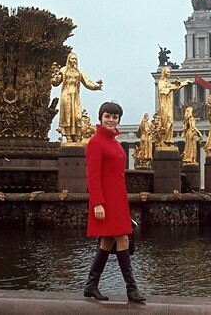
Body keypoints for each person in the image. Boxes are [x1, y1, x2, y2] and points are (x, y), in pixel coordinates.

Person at [84, 101, 145, 303]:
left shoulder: (115, 142)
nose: (111, 119)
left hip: (118, 198)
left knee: (108, 240)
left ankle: (91, 285)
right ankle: (131, 289)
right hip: (106, 200)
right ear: (100, 117)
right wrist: (97, 203)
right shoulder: (95, 142)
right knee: (123, 239)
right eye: (107, 116)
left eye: (115, 116)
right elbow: (92, 176)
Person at [51, 52, 102, 143]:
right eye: (72, 59)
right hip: (66, 96)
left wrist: (96, 86)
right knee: (67, 115)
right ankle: (68, 136)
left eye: (75, 59)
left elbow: (87, 82)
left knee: (77, 116)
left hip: (75, 96)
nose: (74, 60)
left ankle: (77, 135)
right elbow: (56, 83)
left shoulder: (79, 72)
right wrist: (54, 77)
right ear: (68, 60)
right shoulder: (63, 70)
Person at [157, 66, 191, 146]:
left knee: (170, 122)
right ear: (164, 73)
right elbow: (163, 91)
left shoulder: (168, 83)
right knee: (165, 121)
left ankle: (168, 140)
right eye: (168, 72)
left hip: (169, 105)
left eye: (169, 72)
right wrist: (172, 87)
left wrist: (184, 82)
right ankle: (163, 139)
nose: (169, 74)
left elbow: (175, 87)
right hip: (164, 105)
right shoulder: (161, 82)